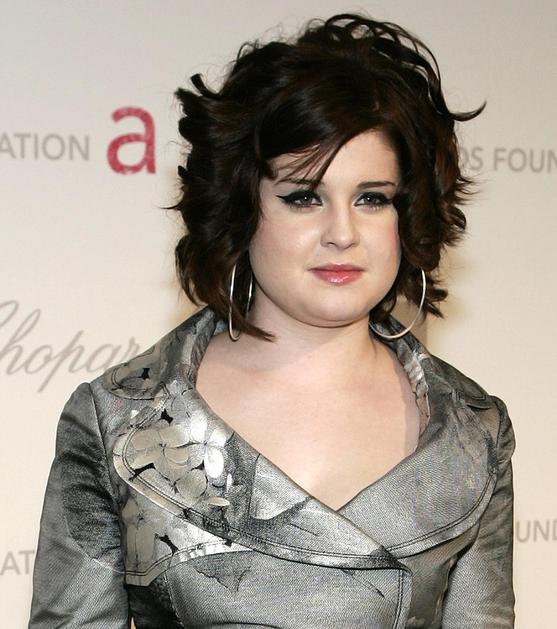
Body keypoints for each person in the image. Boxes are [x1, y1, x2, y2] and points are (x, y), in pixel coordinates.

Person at [28, 11, 516, 629]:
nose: (343, 233)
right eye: (303, 197)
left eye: (372, 198)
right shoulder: (122, 422)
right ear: (240, 207)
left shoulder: (473, 433)